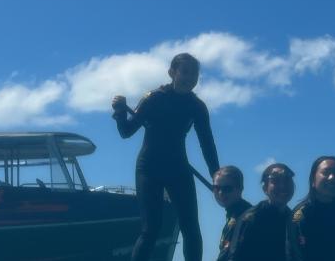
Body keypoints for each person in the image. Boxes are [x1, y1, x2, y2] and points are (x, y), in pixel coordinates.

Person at [111, 53, 219, 261]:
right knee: (151, 228)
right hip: (149, 168)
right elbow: (126, 132)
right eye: (185, 72)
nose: (190, 78)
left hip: (178, 168)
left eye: (194, 74)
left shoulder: (197, 107)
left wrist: (216, 174)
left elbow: (207, 143)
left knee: (191, 229)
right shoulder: (153, 98)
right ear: (172, 73)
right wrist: (119, 111)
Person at [288, 156, 335, 261]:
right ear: (313, 181)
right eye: (326, 172)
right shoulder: (300, 213)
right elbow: (293, 254)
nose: (332, 177)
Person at [227, 163, 296, 261]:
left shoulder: (294, 219)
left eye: (287, 179)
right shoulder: (251, 218)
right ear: (265, 188)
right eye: (275, 180)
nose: (282, 185)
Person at [213, 166, 252, 261]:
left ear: (240, 189)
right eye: (216, 188)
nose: (221, 193)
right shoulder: (236, 213)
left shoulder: (241, 217)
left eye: (227, 188)